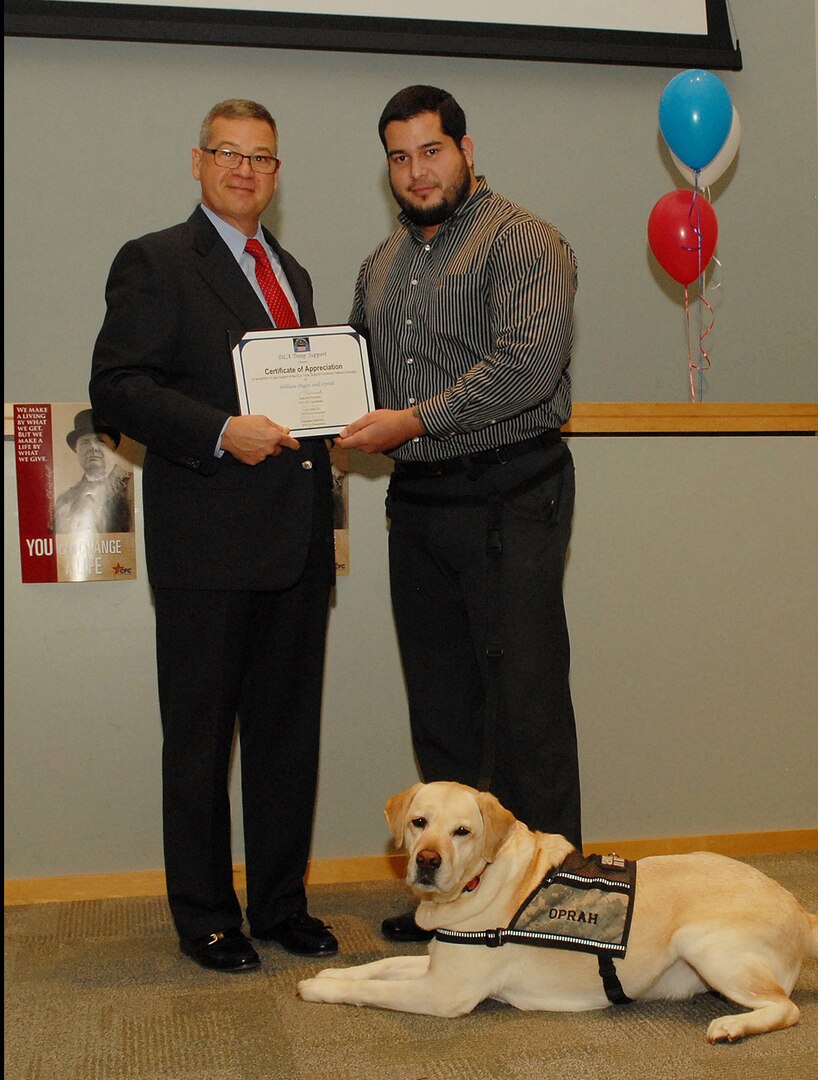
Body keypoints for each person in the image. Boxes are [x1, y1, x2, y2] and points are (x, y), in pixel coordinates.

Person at [89, 99, 338, 972]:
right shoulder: (156, 261)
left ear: (277, 173)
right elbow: (117, 386)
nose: (245, 169)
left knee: (286, 737)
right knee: (199, 742)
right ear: (197, 163)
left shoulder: (293, 273)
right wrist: (217, 429)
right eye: (227, 154)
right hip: (207, 545)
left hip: (296, 546)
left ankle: (280, 905)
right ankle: (205, 916)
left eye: (262, 157)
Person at [335, 85, 582, 943]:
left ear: (466, 149)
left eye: (430, 151)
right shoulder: (382, 265)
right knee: (441, 708)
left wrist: (415, 419)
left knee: (525, 705)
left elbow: (531, 363)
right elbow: (356, 373)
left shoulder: (524, 240)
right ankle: (453, 905)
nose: (416, 171)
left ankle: (555, 911)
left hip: (512, 491)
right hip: (421, 503)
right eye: (399, 157)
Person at [54, 409, 132, 534]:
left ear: (113, 446)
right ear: (76, 450)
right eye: (85, 443)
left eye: (100, 442)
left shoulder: (133, 488)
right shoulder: (64, 501)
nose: (93, 448)